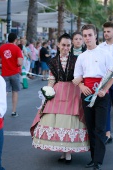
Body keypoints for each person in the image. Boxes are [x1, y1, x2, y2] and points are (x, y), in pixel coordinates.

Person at [31, 33, 89, 164]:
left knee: (69, 120)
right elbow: (52, 78)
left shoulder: (77, 59)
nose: (66, 47)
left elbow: (81, 75)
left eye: (68, 45)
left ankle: (68, 153)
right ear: (58, 45)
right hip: (58, 92)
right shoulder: (52, 61)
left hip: (73, 91)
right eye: (63, 45)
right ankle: (64, 152)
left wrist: (79, 81)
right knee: (58, 121)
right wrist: (48, 91)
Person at [74, 24, 113, 170]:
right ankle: (93, 158)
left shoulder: (105, 54)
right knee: (90, 128)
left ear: (95, 36)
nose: (87, 38)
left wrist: (104, 90)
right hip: (86, 95)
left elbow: (112, 75)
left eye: (89, 35)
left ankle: (98, 161)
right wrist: (81, 86)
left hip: (101, 94)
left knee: (100, 128)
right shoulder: (81, 57)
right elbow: (77, 76)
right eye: (85, 35)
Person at [0, 32, 23, 117]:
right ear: (15, 40)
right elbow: (19, 62)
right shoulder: (17, 49)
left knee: (5, 92)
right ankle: (13, 111)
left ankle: (1, 111)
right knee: (15, 91)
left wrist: (4, 61)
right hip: (14, 72)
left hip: (5, 72)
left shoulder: (2, 47)